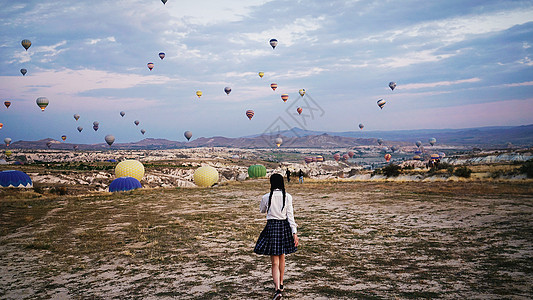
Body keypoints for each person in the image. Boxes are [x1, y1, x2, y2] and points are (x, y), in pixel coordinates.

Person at [254, 174, 299, 299]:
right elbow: (290, 216)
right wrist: (294, 233)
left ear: (271, 183)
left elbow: (262, 210)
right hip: (284, 226)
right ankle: (281, 283)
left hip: (272, 227)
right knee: (282, 257)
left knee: (274, 261)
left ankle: (277, 289)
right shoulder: (288, 197)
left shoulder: (266, 197)